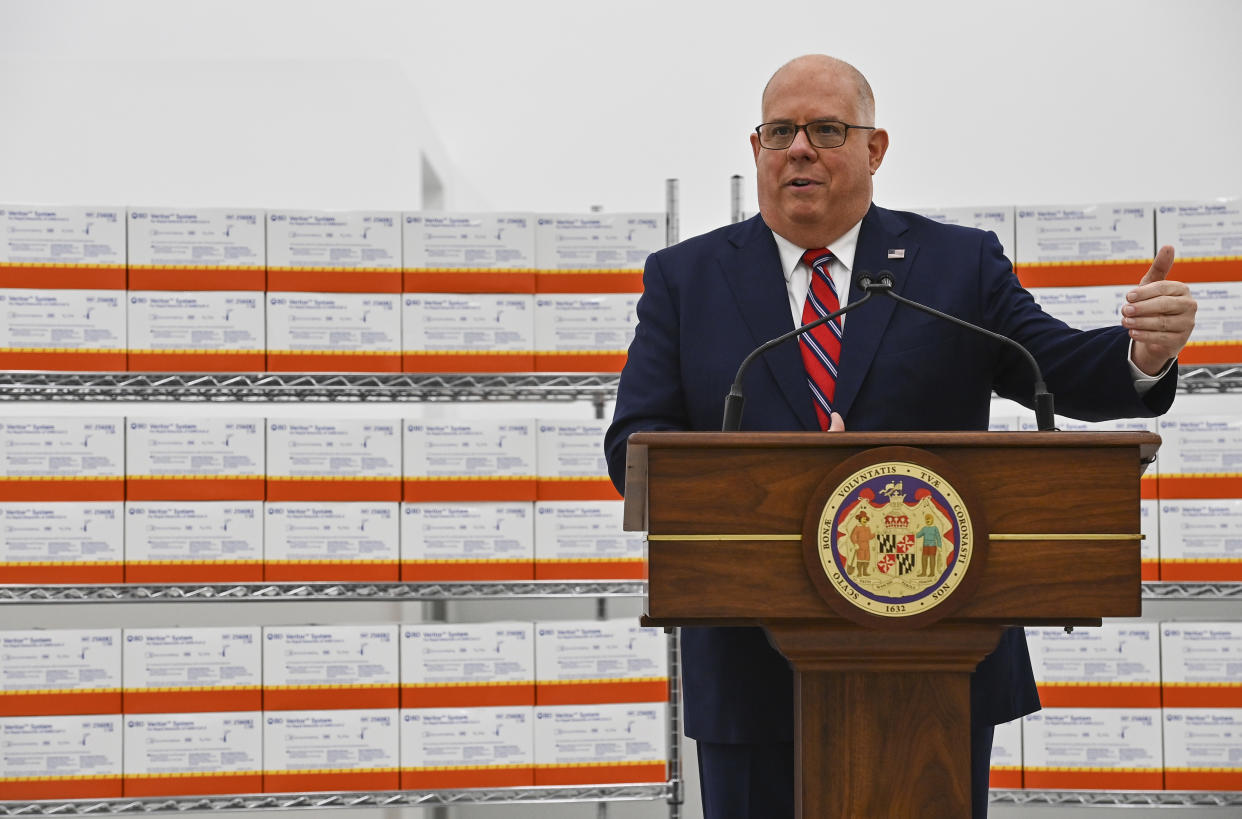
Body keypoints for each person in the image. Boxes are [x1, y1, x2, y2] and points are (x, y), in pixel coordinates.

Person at [603, 54, 1196, 819]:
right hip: (751, 668)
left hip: (937, 661)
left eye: (825, 129)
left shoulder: (955, 265)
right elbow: (635, 442)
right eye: (779, 131)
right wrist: (761, 478)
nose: (799, 149)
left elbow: (1052, 368)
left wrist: (1142, 356)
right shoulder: (685, 278)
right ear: (756, 148)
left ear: (875, 148)